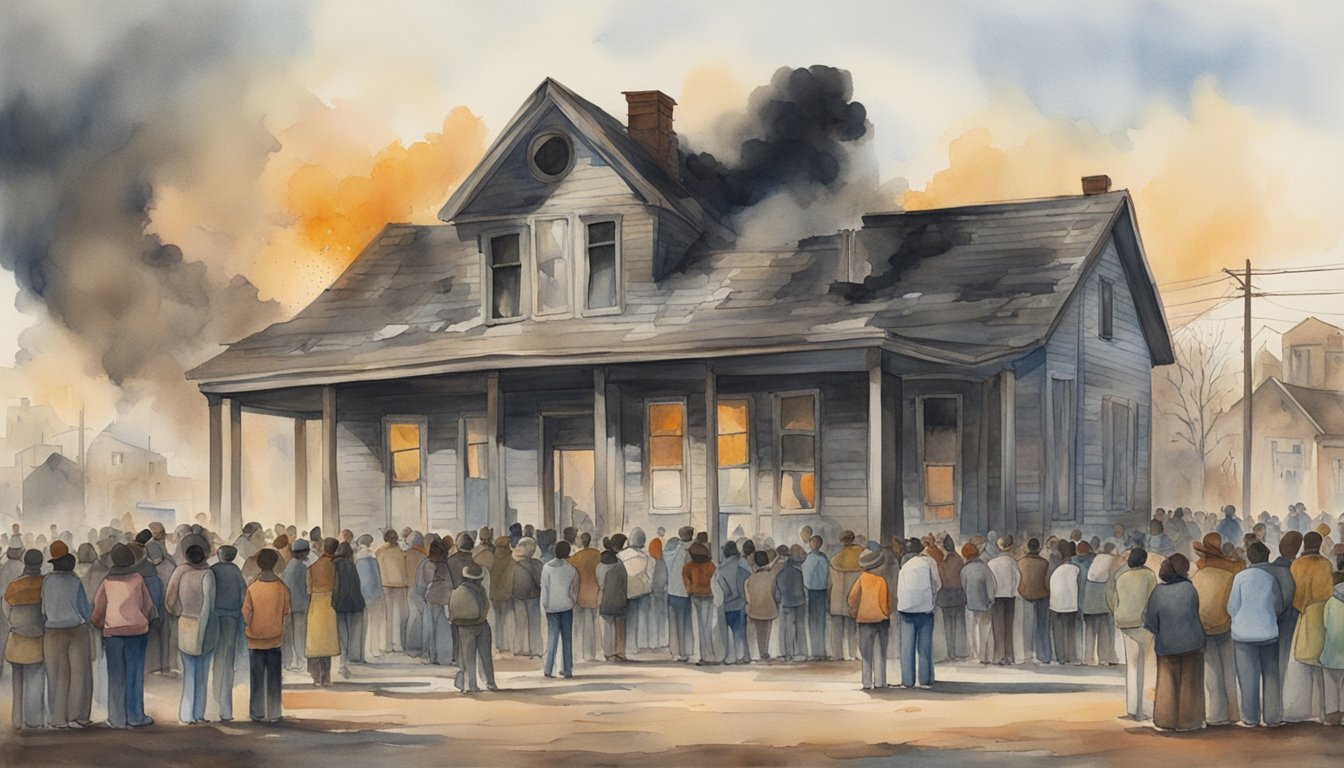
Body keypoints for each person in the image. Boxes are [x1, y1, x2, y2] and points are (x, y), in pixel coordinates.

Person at [92, 543, 156, 729]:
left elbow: (98, 611)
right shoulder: (138, 579)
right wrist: (146, 620)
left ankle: (117, 718)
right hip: (137, 631)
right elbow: (148, 607)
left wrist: (100, 625)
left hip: (113, 633)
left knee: (115, 675)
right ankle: (135, 716)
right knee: (135, 674)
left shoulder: (106, 582)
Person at [1145, 554, 1205, 731]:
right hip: (1192, 643)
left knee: (1166, 683)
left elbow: (1150, 621)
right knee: (1190, 682)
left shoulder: (1157, 591)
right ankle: (1190, 721)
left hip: (1166, 644)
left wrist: (1163, 632)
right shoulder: (1190, 589)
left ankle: (1165, 720)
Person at [1227, 541, 1284, 727]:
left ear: (1249, 558)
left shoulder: (1240, 578)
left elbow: (1231, 607)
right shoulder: (1270, 579)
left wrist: (1242, 617)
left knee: (1247, 678)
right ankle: (1273, 718)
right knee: (1271, 677)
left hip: (1243, 635)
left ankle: (1250, 719)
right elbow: (1279, 606)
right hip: (1268, 632)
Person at [41, 542, 93, 729]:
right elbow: (85, 611)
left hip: (52, 631)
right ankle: (77, 716)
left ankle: (57, 719)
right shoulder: (75, 581)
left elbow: (43, 609)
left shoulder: (46, 581)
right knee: (80, 675)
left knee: (56, 675)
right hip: (76, 630)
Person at [1191, 532, 1240, 725]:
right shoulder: (1231, 573)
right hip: (1226, 626)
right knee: (1229, 669)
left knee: (1211, 671)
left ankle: (1217, 714)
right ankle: (1234, 713)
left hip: (1204, 627)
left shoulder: (1197, 575)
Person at [165, 542, 216, 724]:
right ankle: (198, 714)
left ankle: (187, 714)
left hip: (185, 624)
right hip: (202, 626)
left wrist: (178, 613)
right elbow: (208, 607)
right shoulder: (208, 575)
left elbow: (170, 601)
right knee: (202, 674)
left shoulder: (183, 575)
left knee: (189, 672)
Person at [1287, 530, 1333, 723]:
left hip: (1304, 616)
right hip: (1324, 615)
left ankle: (1305, 712)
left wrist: (1301, 607)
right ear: (1320, 545)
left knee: (1303, 666)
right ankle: (1325, 712)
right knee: (1324, 665)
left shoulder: (1296, 564)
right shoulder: (1326, 564)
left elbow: (1295, 594)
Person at [1108, 547, 1158, 721]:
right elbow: (1154, 599)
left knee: (1132, 665)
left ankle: (1131, 708)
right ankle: (1145, 710)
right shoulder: (1150, 575)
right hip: (1144, 624)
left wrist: (1117, 613)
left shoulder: (1122, 577)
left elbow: (1113, 600)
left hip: (1125, 623)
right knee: (1148, 666)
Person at [242, 548, 290, 722]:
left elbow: (246, 614)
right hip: (275, 638)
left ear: (258, 564)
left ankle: (256, 712)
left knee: (256, 678)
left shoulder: (252, 588)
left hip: (254, 639)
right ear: (275, 564)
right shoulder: (282, 588)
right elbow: (286, 612)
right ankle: (275, 712)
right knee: (274, 678)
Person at [5, 549, 46, 729]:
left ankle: (17, 720)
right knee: (35, 680)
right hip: (37, 639)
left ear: (24, 562)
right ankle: (34, 720)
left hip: (17, 640)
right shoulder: (45, 584)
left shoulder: (14, 585)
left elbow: (6, 611)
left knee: (17, 680)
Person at [896, 538, 940, 689]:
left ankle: (907, 681)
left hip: (905, 609)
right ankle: (925, 680)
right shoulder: (929, 562)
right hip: (925, 608)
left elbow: (900, 588)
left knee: (906, 646)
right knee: (925, 646)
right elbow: (937, 584)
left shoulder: (904, 564)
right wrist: (932, 599)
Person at [209, 544, 246, 721]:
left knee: (216, 658)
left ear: (218, 555)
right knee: (228, 659)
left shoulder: (212, 570)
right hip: (232, 618)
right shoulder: (237, 572)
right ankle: (226, 707)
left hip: (214, 617)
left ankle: (215, 703)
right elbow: (243, 596)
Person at [450, 563, 496, 694]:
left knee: (467, 657)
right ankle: (490, 682)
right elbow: (486, 606)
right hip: (481, 624)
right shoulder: (480, 590)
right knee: (485, 656)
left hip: (464, 627)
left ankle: (470, 685)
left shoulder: (458, 590)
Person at [849, 548, 891, 689]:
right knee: (880, 652)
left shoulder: (861, 579)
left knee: (866, 653)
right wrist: (885, 614)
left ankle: (866, 682)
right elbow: (884, 602)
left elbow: (852, 598)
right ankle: (880, 682)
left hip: (864, 620)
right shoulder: (881, 581)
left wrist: (855, 612)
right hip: (880, 620)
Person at [540, 540, 578, 678]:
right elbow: (574, 591)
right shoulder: (571, 569)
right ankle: (567, 669)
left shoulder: (546, 568)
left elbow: (545, 589)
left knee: (552, 638)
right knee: (567, 639)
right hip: (567, 606)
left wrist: (544, 604)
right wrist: (572, 601)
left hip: (552, 607)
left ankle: (548, 669)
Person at [305, 538, 339, 687]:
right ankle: (327, 678)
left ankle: (316, 677)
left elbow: (308, 589)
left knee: (315, 641)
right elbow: (338, 586)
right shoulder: (334, 566)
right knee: (328, 642)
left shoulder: (312, 567)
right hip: (330, 603)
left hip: (316, 603)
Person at [828, 532, 864, 661]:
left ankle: (837, 654)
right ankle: (853, 653)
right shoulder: (860, 556)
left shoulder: (835, 559)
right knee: (852, 629)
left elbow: (829, 582)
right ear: (853, 539)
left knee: (837, 629)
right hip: (853, 599)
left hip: (836, 599)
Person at [618, 528, 655, 651]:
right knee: (642, 619)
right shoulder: (646, 558)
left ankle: (629, 646)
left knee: (629, 619)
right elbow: (650, 576)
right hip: (643, 592)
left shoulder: (620, 556)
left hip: (625, 591)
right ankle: (640, 644)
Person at [332, 541, 366, 674]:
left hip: (338, 603)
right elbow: (356, 585)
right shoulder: (351, 565)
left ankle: (342, 662)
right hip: (352, 603)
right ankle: (348, 661)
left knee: (341, 634)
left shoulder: (333, 564)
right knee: (352, 632)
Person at [1082, 544, 1118, 666]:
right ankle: (1104, 658)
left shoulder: (1096, 561)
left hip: (1089, 602)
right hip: (1103, 603)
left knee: (1090, 631)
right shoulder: (1111, 562)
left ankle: (1088, 658)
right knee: (1104, 631)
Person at [960, 543, 996, 663]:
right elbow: (991, 585)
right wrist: (991, 599)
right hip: (984, 603)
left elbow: (963, 587)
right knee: (985, 630)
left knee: (971, 630)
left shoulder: (964, 570)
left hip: (970, 604)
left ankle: (973, 654)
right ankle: (984, 655)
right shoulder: (985, 568)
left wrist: (967, 599)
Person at [421, 538, 454, 665]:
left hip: (432, 597)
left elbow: (426, 580)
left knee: (431, 628)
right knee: (443, 629)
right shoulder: (445, 564)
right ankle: (444, 657)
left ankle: (432, 656)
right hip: (445, 598)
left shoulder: (429, 564)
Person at [988, 535, 1020, 665]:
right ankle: (1009, 656)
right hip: (1010, 598)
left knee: (997, 628)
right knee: (1009, 628)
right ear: (1010, 546)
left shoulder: (991, 563)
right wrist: (1014, 591)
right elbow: (1018, 579)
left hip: (996, 598)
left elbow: (990, 583)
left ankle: (998, 656)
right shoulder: (1013, 562)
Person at [1018, 538, 1050, 664]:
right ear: (1038, 548)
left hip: (1025, 596)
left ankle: (1027, 654)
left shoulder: (1020, 562)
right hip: (1042, 595)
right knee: (1042, 627)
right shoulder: (1045, 563)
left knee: (1026, 626)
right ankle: (1043, 655)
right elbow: (1047, 581)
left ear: (1027, 547)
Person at [716, 541, 750, 664]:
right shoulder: (743, 563)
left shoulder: (722, 569)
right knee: (740, 631)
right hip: (742, 603)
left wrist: (727, 598)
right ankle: (742, 656)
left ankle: (731, 657)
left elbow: (724, 589)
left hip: (729, 604)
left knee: (729, 632)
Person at [935, 535, 968, 661]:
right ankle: (960, 652)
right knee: (959, 624)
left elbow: (942, 578)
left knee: (948, 625)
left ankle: (951, 653)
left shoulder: (943, 562)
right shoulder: (959, 559)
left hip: (946, 595)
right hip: (958, 594)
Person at [375, 530, 408, 654]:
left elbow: (376, 555)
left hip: (386, 584)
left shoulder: (382, 552)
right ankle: (397, 644)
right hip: (399, 584)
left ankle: (387, 645)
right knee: (397, 613)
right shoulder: (400, 552)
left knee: (387, 615)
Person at [683, 540, 716, 664]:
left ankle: (702, 655)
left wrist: (690, 590)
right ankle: (709, 655)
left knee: (698, 627)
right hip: (709, 596)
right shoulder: (711, 566)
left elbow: (687, 584)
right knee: (707, 626)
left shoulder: (688, 567)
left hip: (695, 597)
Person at [570, 533, 601, 662]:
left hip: (580, 592)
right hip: (594, 591)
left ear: (580, 542)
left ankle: (579, 653)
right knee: (594, 624)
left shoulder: (575, 557)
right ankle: (594, 653)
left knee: (579, 625)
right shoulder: (597, 554)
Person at [663, 527, 693, 662]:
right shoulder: (693, 549)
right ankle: (686, 651)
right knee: (686, 622)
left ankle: (675, 651)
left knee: (674, 623)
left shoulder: (673, 549)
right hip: (686, 590)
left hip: (672, 590)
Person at [281, 538, 310, 672]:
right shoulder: (302, 568)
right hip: (299, 605)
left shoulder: (289, 566)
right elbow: (306, 588)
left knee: (288, 635)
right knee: (299, 633)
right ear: (303, 553)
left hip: (287, 605)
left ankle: (287, 662)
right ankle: (301, 660)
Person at [511, 537, 543, 658]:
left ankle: (519, 648)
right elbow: (541, 581)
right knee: (534, 624)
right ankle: (535, 651)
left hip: (517, 596)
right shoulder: (537, 564)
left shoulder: (513, 564)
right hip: (533, 596)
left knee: (519, 624)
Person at [1049, 541, 1080, 665]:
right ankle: (1071, 656)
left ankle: (1060, 657)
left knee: (1058, 631)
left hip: (1056, 605)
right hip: (1072, 605)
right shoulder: (1076, 569)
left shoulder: (1056, 571)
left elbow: (1049, 585)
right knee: (1070, 631)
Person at [774, 545, 807, 661]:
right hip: (800, 602)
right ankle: (802, 652)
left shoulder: (779, 575)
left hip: (787, 603)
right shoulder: (798, 572)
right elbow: (803, 588)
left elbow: (777, 595)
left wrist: (779, 601)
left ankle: (789, 654)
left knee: (788, 629)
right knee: (800, 627)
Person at [353, 534, 383, 658]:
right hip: (375, 594)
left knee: (363, 624)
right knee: (375, 623)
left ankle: (363, 650)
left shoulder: (356, 559)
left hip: (362, 595)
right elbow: (378, 578)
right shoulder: (373, 559)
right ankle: (375, 649)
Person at [745, 550, 778, 661]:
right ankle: (765, 653)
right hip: (769, 607)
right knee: (767, 631)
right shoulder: (772, 576)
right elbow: (775, 592)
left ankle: (761, 652)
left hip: (756, 609)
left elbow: (748, 594)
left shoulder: (751, 578)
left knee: (759, 632)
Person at [801, 535, 829, 660]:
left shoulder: (809, 558)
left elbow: (805, 577)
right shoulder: (824, 558)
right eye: (812, 541)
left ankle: (817, 652)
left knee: (815, 622)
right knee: (819, 622)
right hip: (821, 592)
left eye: (814, 541)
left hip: (814, 592)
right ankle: (819, 652)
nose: (813, 543)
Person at [1322, 569, 1344, 725]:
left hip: (1330, 652)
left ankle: (1331, 715)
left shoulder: (1330, 602)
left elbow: (1325, 624)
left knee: (1330, 683)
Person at [597, 548, 628, 661]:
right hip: (619, 600)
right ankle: (620, 652)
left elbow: (599, 585)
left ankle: (608, 652)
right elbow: (625, 584)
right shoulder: (620, 567)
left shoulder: (599, 568)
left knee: (607, 627)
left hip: (605, 601)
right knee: (620, 627)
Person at [488, 536, 516, 654]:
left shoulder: (492, 559)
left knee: (497, 619)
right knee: (506, 620)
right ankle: (505, 644)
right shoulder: (511, 560)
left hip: (494, 593)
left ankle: (497, 643)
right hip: (507, 593)